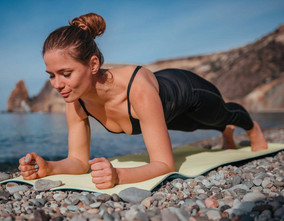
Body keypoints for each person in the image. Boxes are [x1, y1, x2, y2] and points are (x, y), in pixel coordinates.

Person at [18, 13, 268, 189]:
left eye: (65, 73)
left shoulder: (137, 89)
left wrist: (119, 175)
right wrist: (48, 167)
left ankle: (251, 128)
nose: (56, 84)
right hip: (167, 111)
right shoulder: (76, 101)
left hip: (188, 91)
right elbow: (79, 161)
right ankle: (225, 133)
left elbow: (164, 164)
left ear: (93, 64)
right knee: (192, 126)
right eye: (51, 75)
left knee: (221, 115)